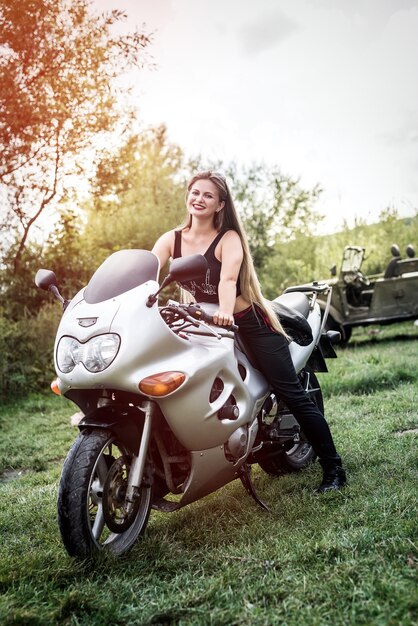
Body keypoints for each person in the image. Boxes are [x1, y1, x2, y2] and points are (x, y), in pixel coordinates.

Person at [152, 170, 346, 493]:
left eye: (208, 195)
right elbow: (147, 273)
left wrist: (226, 313)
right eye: (195, 192)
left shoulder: (229, 239)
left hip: (247, 321)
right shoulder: (170, 240)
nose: (199, 199)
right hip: (201, 324)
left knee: (291, 392)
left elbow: (227, 281)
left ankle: (334, 468)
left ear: (220, 204)